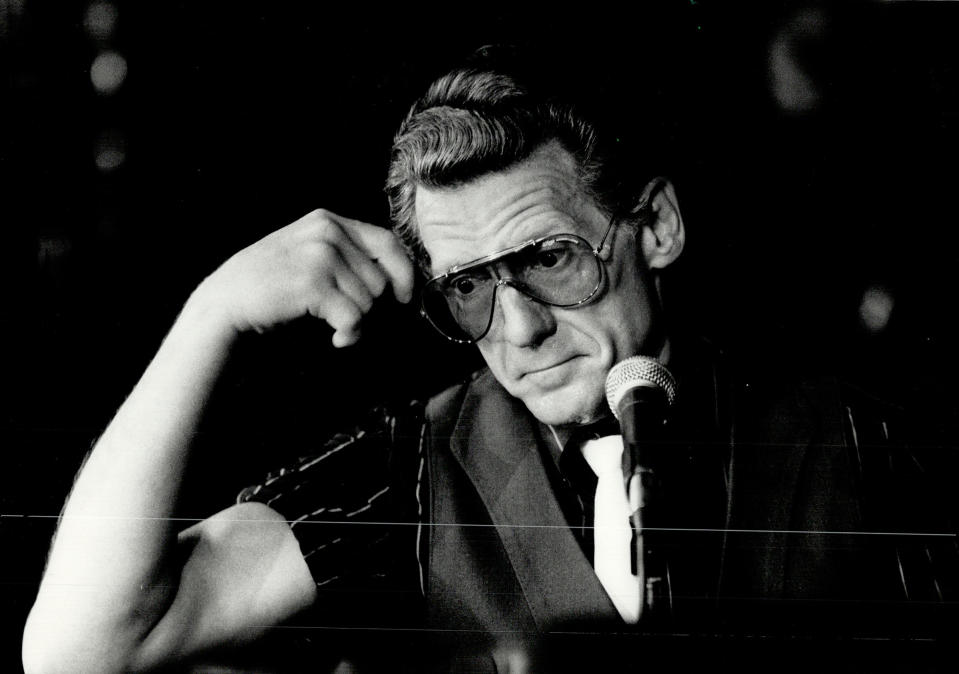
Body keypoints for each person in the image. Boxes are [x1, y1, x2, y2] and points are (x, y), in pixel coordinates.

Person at [22, 47, 956, 673]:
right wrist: (208, 317)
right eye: (467, 288)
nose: (517, 330)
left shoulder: (850, 436)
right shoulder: (413, 469)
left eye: (551, 259)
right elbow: (79, 648)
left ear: (657, 226)